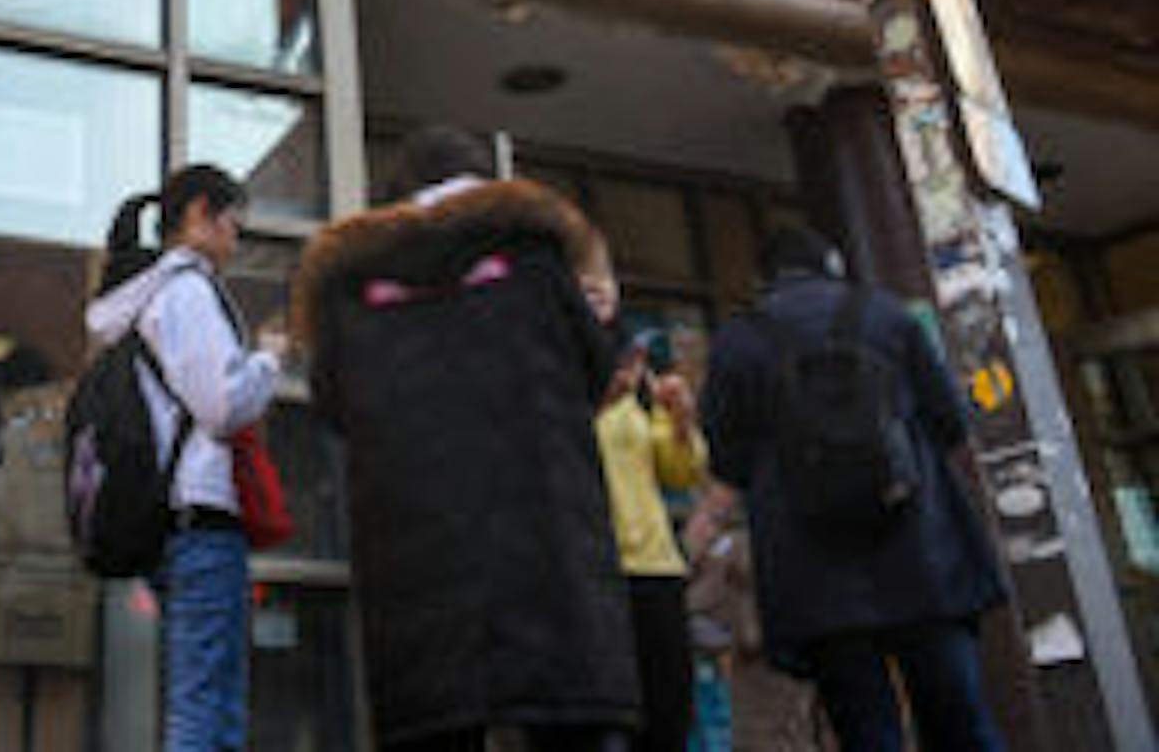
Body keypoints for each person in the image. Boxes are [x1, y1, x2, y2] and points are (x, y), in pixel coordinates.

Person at [293, 125, 638, 751]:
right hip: (543, 534)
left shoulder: (349, 285)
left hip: (414, 550)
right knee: (571, 720)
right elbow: (596, 370)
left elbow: (333, 403)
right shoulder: (535, 256)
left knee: (435, 722)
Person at [699, 227, 1008, 752]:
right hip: (921, 554)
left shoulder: (739, 341)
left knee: (866, 732)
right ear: (833, 264)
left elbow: (730, 459)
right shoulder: (888, 317)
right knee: (960, 722)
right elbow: (951, 423)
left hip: (815, 573)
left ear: (764, 279)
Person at [84, 165, 284, 752]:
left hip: (174, 520)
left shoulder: (147, 297)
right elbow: (223, 405)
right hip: (202, 521)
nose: (236, 241)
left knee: (205, 703)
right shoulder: (185, 291)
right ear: (199, 213)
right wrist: (268, 360)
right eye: (233, 224)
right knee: (206, 710)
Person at [593, 317, 705, 752]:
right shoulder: (566, 381)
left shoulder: (640, 391)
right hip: (593, 571)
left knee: (669, 716)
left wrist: (681, 421)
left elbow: (681, 472)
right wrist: (601, 402)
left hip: (654, 566)